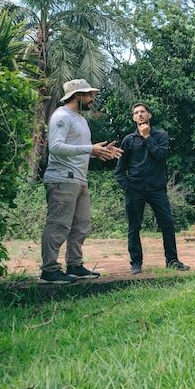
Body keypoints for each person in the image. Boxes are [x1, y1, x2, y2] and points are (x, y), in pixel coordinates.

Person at [39, 79, 123, 284]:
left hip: (78, 179)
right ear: (77, 96)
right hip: (62, 179)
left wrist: (99, 152)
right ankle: (49, 270)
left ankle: (75, 265)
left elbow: (78, 149)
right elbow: (57, 147)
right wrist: (90, 149)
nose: (92, 98)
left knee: (81, 225)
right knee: (58, 224)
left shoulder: (80, 119)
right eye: (89, 95)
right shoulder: (61, 116)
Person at [115, 103, 190, 274]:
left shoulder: (161, 136)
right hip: (135, 189)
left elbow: (161, 155)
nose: (139, 115)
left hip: (157, 189)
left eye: (143, 112)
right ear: (133, 118)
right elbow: (120, 170)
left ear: (149, 115)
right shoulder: (128, 140)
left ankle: (172, 260)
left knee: (168, 224)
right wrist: (128, 187)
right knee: (134, 226)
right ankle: (136, 263)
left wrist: (148, 137)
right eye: (136, 113)